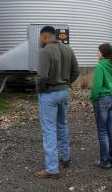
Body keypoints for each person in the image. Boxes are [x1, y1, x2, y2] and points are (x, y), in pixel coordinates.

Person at [35, 26, 79, 179]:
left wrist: (41, 90)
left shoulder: (45, 51)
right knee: (62, 124)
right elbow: (76, 72)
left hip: (50, 94)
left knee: (49, 130)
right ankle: (65, 158)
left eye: (40, 38)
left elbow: (41, 76)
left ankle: (52, 169)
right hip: (64, 92)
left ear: (44, 37)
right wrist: (66, 83)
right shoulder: (68, 49)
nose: (40, 40)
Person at [90, 43, 112, 169]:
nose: (96, 53)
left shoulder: (100, 67)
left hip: (102, 99)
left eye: (98, 51)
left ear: (103, 53)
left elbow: (97, 86)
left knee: (102, 132)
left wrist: (93, 98)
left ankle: (105, 161)